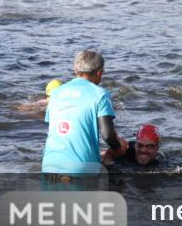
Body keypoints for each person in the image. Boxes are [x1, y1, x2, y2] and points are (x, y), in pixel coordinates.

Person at [42, 49, 128, 178]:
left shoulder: (56, 93)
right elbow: (107, 134)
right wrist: (117, 149)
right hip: (82, 168)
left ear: (76, 70)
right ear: (99, 72)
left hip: (49, 165)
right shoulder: (100, 94)